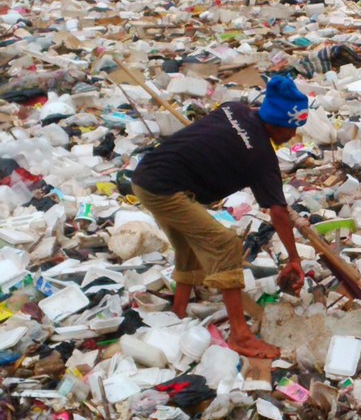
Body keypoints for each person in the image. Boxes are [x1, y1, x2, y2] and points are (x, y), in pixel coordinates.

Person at [131, 76, 308, 359]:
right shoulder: (261, 156)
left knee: (189, 242)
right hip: (164, 189)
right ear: (276, 123)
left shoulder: (235, 109)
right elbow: (277, 211)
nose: (293, 136)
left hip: (145, 175)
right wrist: (294, 258)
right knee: (225, 244)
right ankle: (241, 336)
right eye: (292, 129)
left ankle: (178, 311)